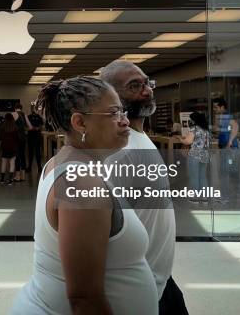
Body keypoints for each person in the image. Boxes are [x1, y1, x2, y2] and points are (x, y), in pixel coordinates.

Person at [12, 76, 157, 314]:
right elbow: (84, 298)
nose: (124, 121)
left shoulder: (67, 163)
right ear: (80, 122)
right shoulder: (81, 181)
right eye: (113, 113)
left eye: (122, 111)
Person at [100, 60, 188, 315]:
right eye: (134, 86)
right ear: (111, 96)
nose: (147, 91)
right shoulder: (120, 152)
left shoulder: (138, 136)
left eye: (147, 83)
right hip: (139, 286)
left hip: (160, 278)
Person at [213, 97, 240, 205]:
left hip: (229, 149)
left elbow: (235, 126)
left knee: (224, 173)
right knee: (230, 172)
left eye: (216, 107)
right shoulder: (220, 117)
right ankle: (234, 195)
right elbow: (221, 131)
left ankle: (225, 197)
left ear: (222, 107)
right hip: (228, 148)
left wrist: (229, 141)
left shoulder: (225, 116)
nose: (214, 109)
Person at [180, 111, 211, 203]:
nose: (190, 121)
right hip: (205, 155)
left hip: (195, 155)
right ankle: (205, 198)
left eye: (191, 119)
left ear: (194, 120)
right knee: (203, 176)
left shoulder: (194, 129)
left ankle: (195, 197)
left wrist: (180, 139)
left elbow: (188, 142)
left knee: (194, 176)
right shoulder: (206, 130)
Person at [0, 113, 20, 185]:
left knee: (4, 163)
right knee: (12, 163)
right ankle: (10, 180)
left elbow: (0, 137)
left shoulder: (2, 127)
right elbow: (17, 138)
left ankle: (2, 180)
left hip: (4, 147)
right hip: (13, 147)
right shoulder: (15, 127)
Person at [12, 103, 28, 182]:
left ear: (15, 108)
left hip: (16, 138)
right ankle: (23, 176)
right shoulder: (24, 114)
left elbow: (10, 126)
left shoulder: (14, 114)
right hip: (23, 138)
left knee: (17, 156)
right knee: (22, 156)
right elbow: (30, 126)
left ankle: (17, 176)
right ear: (21, 108)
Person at [26, 103, 44, 173]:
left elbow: (42, 125)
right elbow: (26, 126)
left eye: (34, 108)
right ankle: (29, 167)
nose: (33, 109)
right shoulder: (28, 117)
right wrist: (30, 128)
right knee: (30, 153)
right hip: (30, 136)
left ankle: (39, 167)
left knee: (38, 153)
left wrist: (38, 128)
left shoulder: (39, 117)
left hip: (37, 136)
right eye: (32, 108)